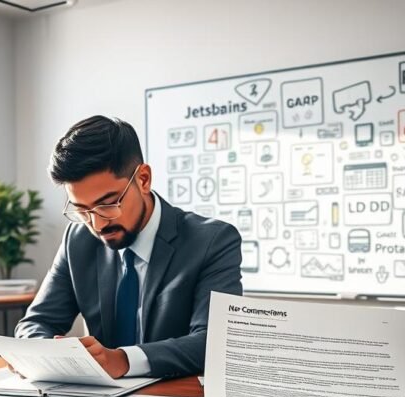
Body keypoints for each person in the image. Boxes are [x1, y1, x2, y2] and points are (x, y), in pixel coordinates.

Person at [14, 115, 242, 379]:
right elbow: (36, 322)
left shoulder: (212, 240)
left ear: (143, 179)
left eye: (108, 204)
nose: (97, 224)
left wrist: (122, 360)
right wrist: (41, 353)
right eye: (82, 210)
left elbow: (213, 342)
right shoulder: (78, 239)